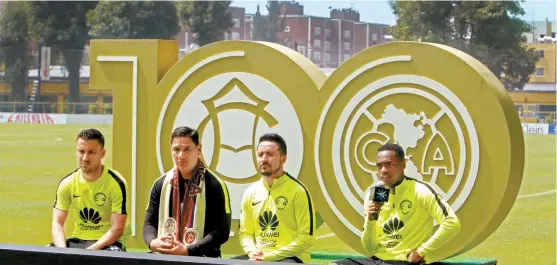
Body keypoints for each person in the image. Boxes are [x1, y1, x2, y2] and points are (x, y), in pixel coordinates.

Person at [331, 143, 461, 265]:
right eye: (379, 166)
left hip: (404, 261)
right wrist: (370, 220)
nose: (383, 170)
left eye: (389, 164)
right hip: (378, 260)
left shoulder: (420, 190)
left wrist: (421, 251)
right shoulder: (374, 194)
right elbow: (370, 247)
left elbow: (452, 223)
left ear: (403, 164)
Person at [143, 126, 231, 258]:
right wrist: (153, 243)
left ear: (198, 149)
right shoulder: (161, 184)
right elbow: (149, 224)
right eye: (176, 149)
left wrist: (189, 250)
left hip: (203, 257)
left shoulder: (215, 185)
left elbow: (222, 231)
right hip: (165, 255)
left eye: (187, 149)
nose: (181, 155)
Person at [236, 133, 315, 263]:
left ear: (283, 159)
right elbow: (245, 233)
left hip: (291, 258)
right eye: (260, 154)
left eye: (270, 154)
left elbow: (307, 238)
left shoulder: (298, 191)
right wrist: (252, 252)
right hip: (260, 257)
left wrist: (270, 256)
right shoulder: (250, 192)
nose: (264, 159)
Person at [51, 128, 130, 251]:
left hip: (109, 243)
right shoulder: (67, 183)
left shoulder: (116, 183)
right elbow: (57, 224)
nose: (85, 157)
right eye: (81, 151)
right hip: (79, 240)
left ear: (102, 153)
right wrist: (62, 252)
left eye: (91, 152)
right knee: (46, 254)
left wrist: (89, 253)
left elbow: (117, 229)